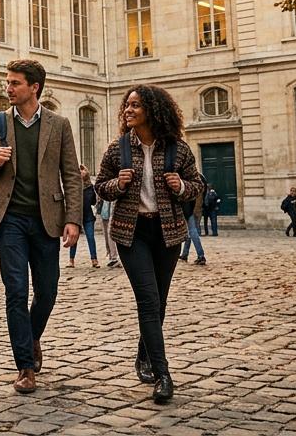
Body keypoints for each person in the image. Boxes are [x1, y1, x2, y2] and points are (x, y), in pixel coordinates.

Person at [0, 59, 83, 394]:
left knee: (47, 291)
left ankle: (31, 339)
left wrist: (73, 218)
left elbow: (71, 175)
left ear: (34, 87)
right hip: (10, 219)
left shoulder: (59, 124)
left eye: (15, 83)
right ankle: (25, 366)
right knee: (16, 290)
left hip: (47, 220)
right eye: (8, 82)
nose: (9, 88)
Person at [95, 85, 204, 404]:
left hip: (167, 232)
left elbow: (197, 185)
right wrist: (120, 183)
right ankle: (163, 373)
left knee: (159, 302)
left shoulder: (177, 149)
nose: (128, 110)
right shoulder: (118, 150)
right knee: (147, 299)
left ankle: (144, 355)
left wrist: (181, 185)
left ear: (153, 111)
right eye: (126, 105)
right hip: (132, 234)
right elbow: (101, 187)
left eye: (136, 106)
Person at [68, 177, 98, 268]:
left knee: (90, 237)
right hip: (77, 217)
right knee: (74, 238)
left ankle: (94, 259)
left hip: (88, 216)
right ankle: (71, 260)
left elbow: (93, 202)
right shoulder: (75, 187)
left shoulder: (90, 188)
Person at [178, 180, 207, 266]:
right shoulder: (202, 178)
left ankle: (201, 255)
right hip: (196, 210)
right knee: (190, 232)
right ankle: (185, 254)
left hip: (190, 211)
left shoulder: (191, 179)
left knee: (192, 232)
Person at [98, 198, 119, 266]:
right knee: (106, 235)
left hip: (112, 209)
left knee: (110, 234)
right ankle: (111, 255)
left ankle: (114, 257)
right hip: (104, 209)